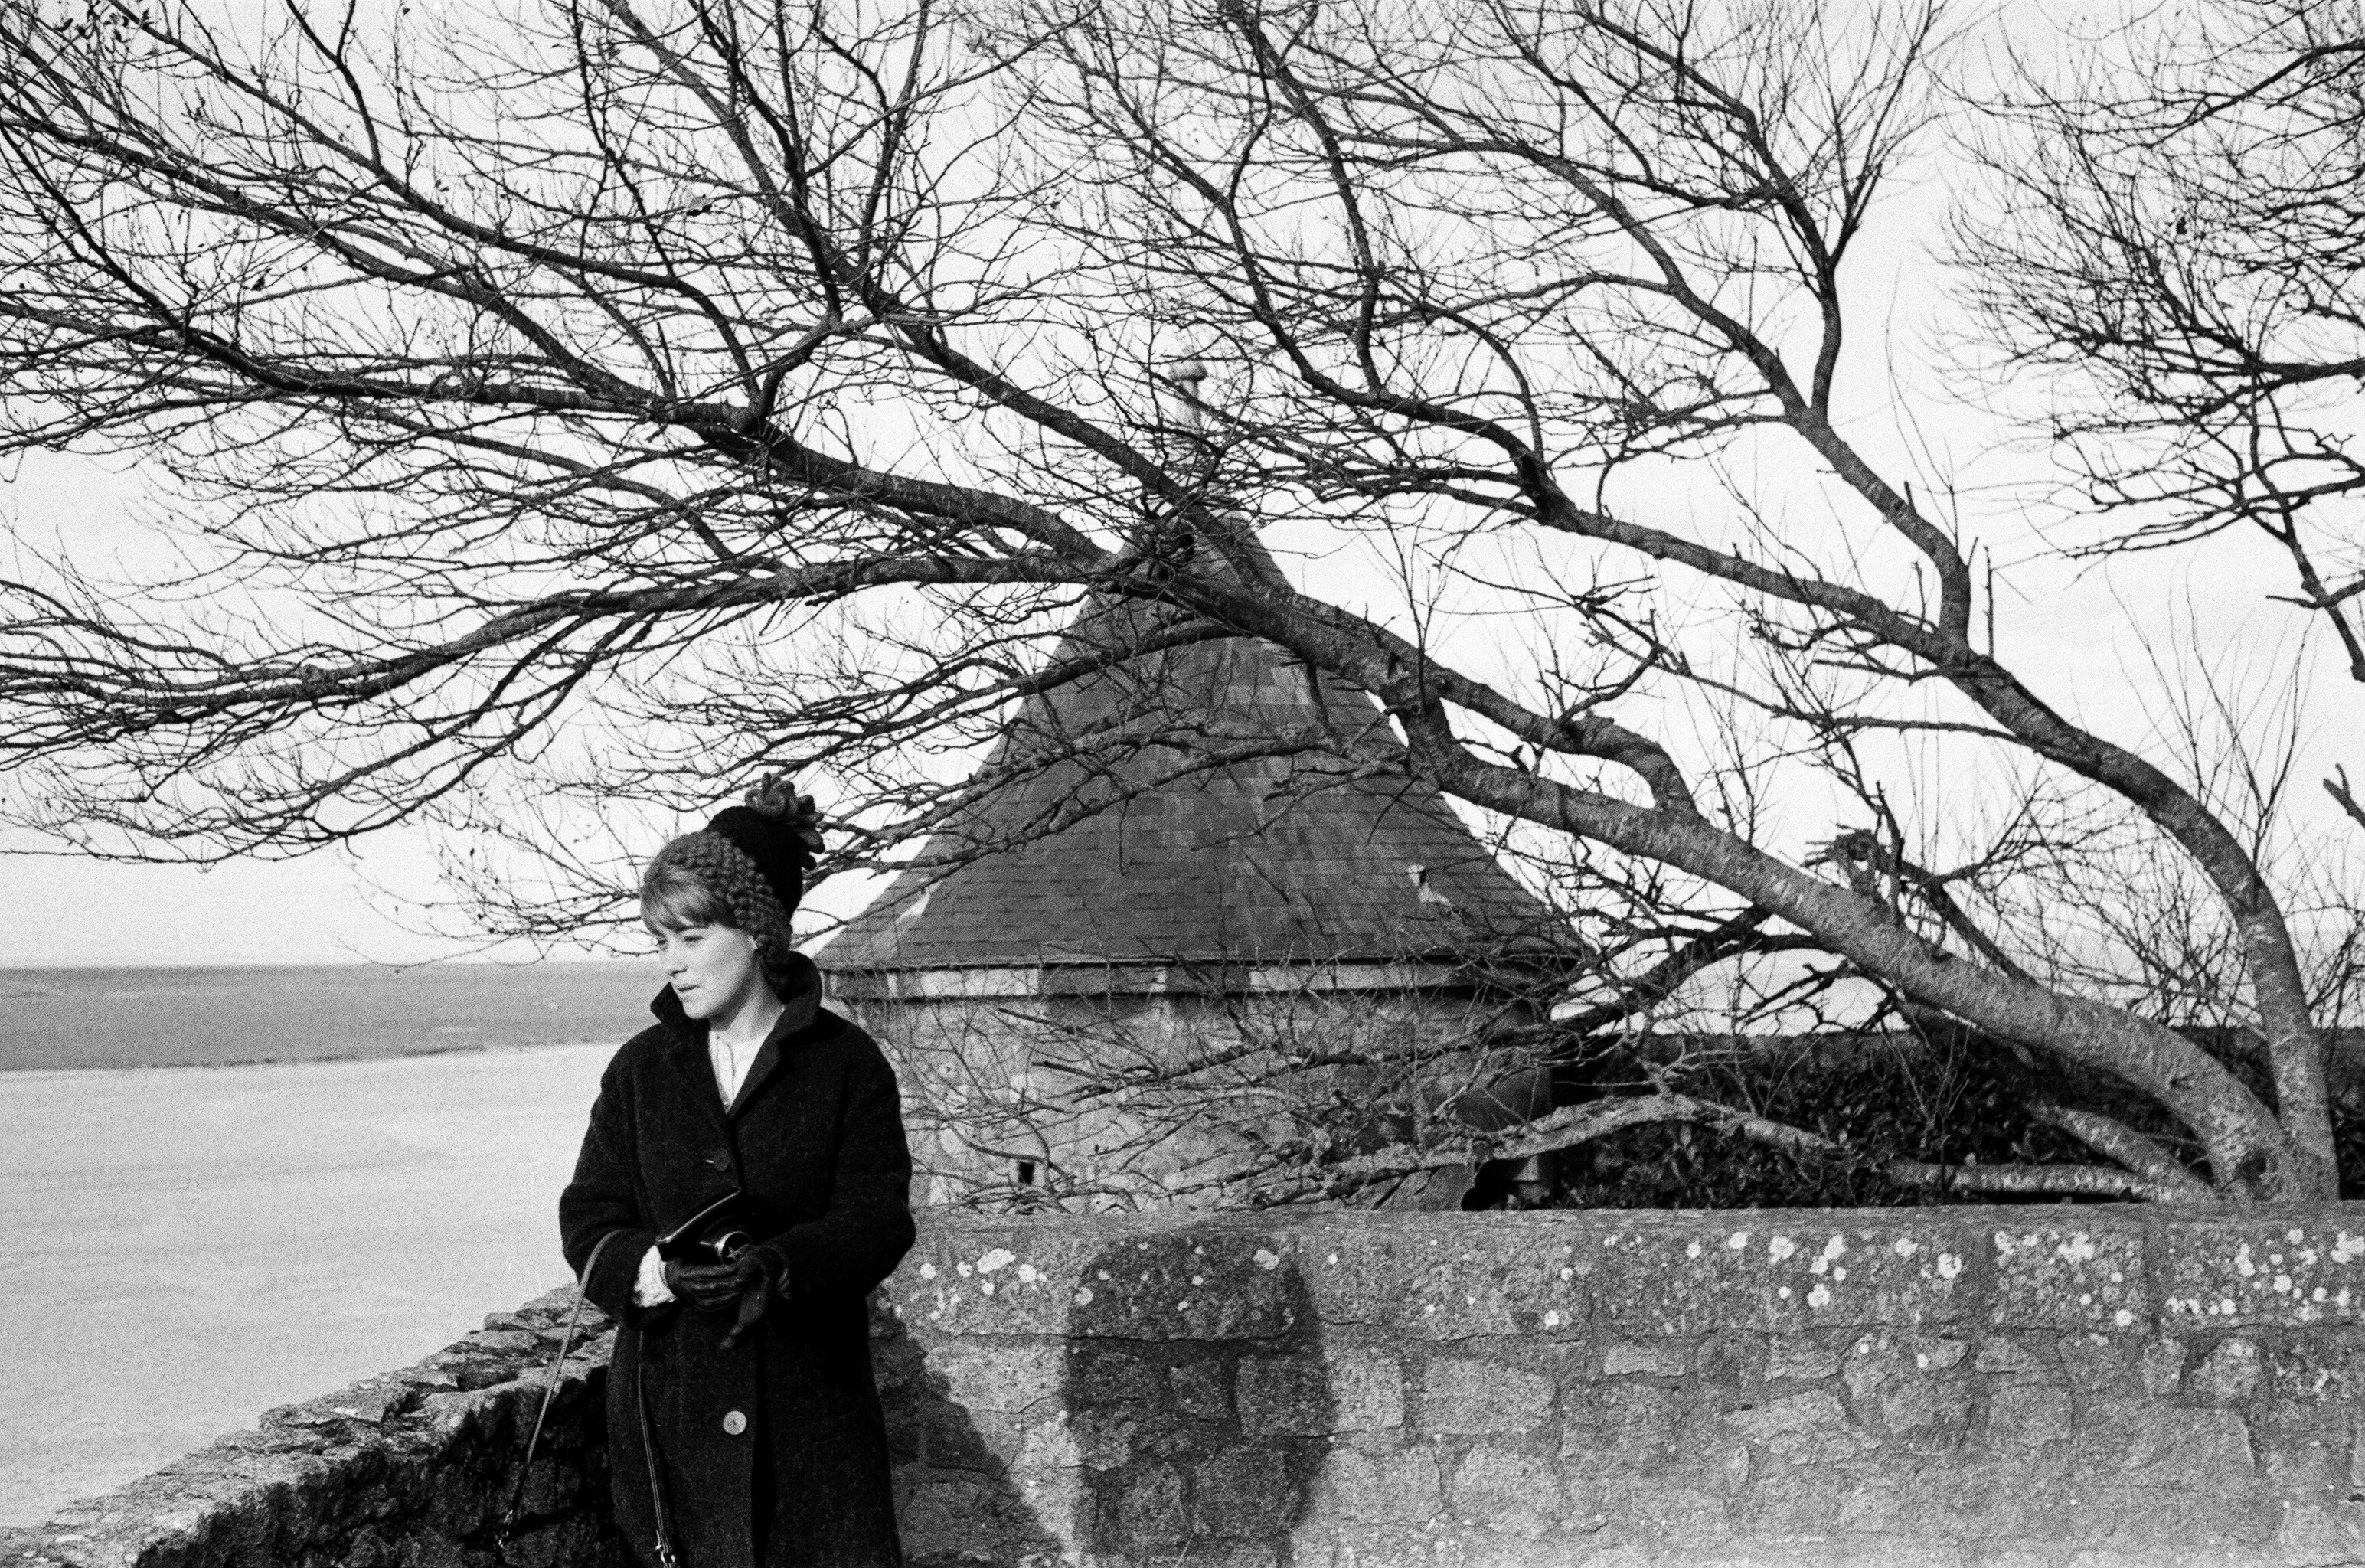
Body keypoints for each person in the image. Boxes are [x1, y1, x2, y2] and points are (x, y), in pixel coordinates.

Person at [560, 777, 916, 1568]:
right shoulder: (641, 1069)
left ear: (756, 933)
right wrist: (651, 1271)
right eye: (660, 941)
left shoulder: (845, 1065)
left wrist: (779, 1266)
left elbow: (877, 1216)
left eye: (689, 938)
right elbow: (589, 1214)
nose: (671, 964)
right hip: (670, 1412)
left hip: (809, 1420)